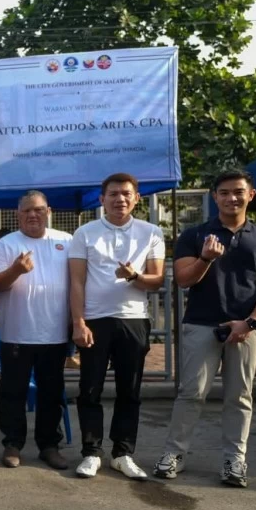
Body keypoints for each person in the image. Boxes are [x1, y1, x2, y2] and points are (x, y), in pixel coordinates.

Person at [154, 170, 256, 488]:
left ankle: (234, 460)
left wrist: (250, 323)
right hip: (201, 324)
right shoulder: (195, 235)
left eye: (239, 192)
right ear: (214, 197)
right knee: (191, 393)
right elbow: (184, 279)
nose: (232, 198)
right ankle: (174, 454)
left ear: (250, 195)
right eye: (224, 192)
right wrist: (206, 258)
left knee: (240, 396)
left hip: (248, 328)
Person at [68, 174, 166, 479]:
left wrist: (134, 277)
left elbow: (157, 280)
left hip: (134, 319)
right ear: (102, 199)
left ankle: (123, 453)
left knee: (130, 390)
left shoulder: (152, 232)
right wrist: (78, 322)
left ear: (137, 198)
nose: (119, 199)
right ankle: (91, 453)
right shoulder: (85, 233)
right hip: (95, 321)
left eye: (126, 194)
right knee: (90, 389)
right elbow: (76, 281)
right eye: (113, 194)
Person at [0, 191, 73, 470]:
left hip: (55, 333)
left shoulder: (66, 241)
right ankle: (12, 444)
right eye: (26, 211)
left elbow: (80, 282)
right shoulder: (6, 244)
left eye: (38, 210)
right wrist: (16, 270)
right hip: (17, 334)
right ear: (18, 214)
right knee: (13, 393)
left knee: (51, 393)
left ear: (48, 211)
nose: (32, 215)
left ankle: (49, 446)